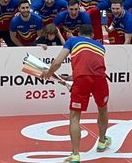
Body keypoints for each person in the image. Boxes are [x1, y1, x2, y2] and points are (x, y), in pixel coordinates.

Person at [42, 24, 112, 163]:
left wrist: (48, 74)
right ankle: (102, 141)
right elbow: (91, 65)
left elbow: (57, 62)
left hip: (82, 79)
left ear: (79, 33)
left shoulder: (73, 41)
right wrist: (72, 77)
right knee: (102, 109)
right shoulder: (101, 47)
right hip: (100, 79)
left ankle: (75, 155)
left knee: (75, 116)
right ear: (92, 35)